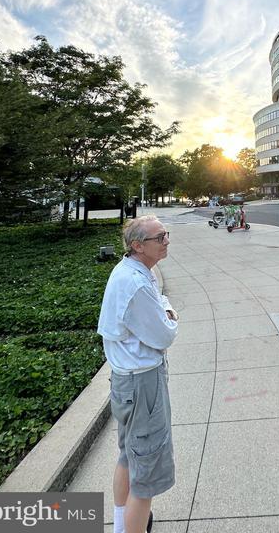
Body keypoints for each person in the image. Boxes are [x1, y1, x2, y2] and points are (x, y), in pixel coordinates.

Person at [98, 216, 179, 533]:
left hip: (125, 381)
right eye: (160, 236)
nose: (166, 240)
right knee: (146, 475)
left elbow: (156, 311)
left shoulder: (130, 272)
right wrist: (171, 315)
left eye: (165, 234)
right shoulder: (135, 283)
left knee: (129, 457)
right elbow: (164, 334)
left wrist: (164, 309)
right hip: (143, 384)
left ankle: (121, 525)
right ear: (138, 245)